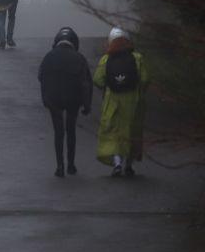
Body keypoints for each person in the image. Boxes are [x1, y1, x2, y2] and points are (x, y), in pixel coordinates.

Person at [93, 27, 149, 177]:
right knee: (132, 132)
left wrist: (108, 88)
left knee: (113, 133)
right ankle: (129, 165)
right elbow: (144, 79)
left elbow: (97, 79)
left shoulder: (106, 59)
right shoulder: (137, 57)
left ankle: (117, 163)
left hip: (113, 102)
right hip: (133, 102)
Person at [38, 28, 93, 177]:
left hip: (54, 99)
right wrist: (87, 104)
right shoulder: (79, 58)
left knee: (58, 132)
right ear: (74, 43)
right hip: (73, 99)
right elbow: (86, 83)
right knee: (71, 131)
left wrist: (45, 99)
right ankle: (71, 165)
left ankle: (59, 167)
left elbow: (40, 77)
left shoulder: (48, 57)